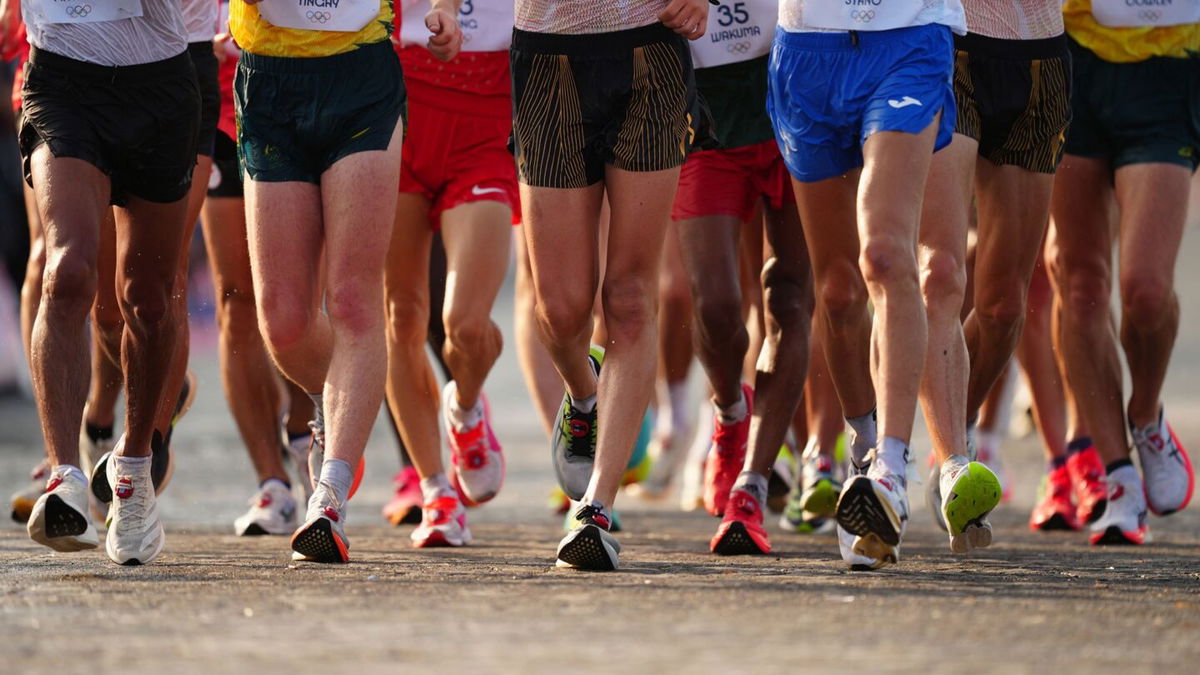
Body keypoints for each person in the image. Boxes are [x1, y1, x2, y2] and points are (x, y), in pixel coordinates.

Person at [770, 0, 1000, 569]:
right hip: (808, 48)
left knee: (884, 255)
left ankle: (891, 469)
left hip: (908, 40)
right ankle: (863, 447)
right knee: (840, 291)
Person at [230, 0, 460, 563]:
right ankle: (326, 403)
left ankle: (329, 498)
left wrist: (445, 8)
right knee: (281, 321)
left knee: (355, 297)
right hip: (269, 75)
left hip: (360, 73)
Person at [512, 0, 713, 570]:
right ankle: (583, 396)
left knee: (629, 295)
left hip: (653, 45)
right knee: (560, 309)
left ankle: (595, 506)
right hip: (547, 54)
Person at [5, 0, 201, 565]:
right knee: (66, 272)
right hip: (61, 81)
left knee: (147, 299)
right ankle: (64, 476)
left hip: (159, 84)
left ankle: (134, 472)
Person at [649, 0, 815, 556]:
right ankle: (728, 411)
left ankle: (754, 485)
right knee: (717, 305)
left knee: (790, 299)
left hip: (796, 89)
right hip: (705, 111)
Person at [920, 0, 1071, 547]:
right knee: (938, 270)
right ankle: (951, 456)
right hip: (949, 47)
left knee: (1005, 306)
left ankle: (952, 437)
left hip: (1040, 57)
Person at [1049, 1, 1198, 545]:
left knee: (1146, 291)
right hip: (1070, 56)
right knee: (1081, 281)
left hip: (1169, 60)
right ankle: (1119, 478)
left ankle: (1146, 415)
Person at [383, 0, 514, 548]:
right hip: (399, 98)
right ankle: (436, 489)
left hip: (487, 110)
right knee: (402, 315)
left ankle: (465, 407)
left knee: (463, 322)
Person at [200, 12, 316, 536]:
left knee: (298, 293)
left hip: (302, 84)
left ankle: (303, 427)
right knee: (236, 299)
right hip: (220, 100)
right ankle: (271, 479)